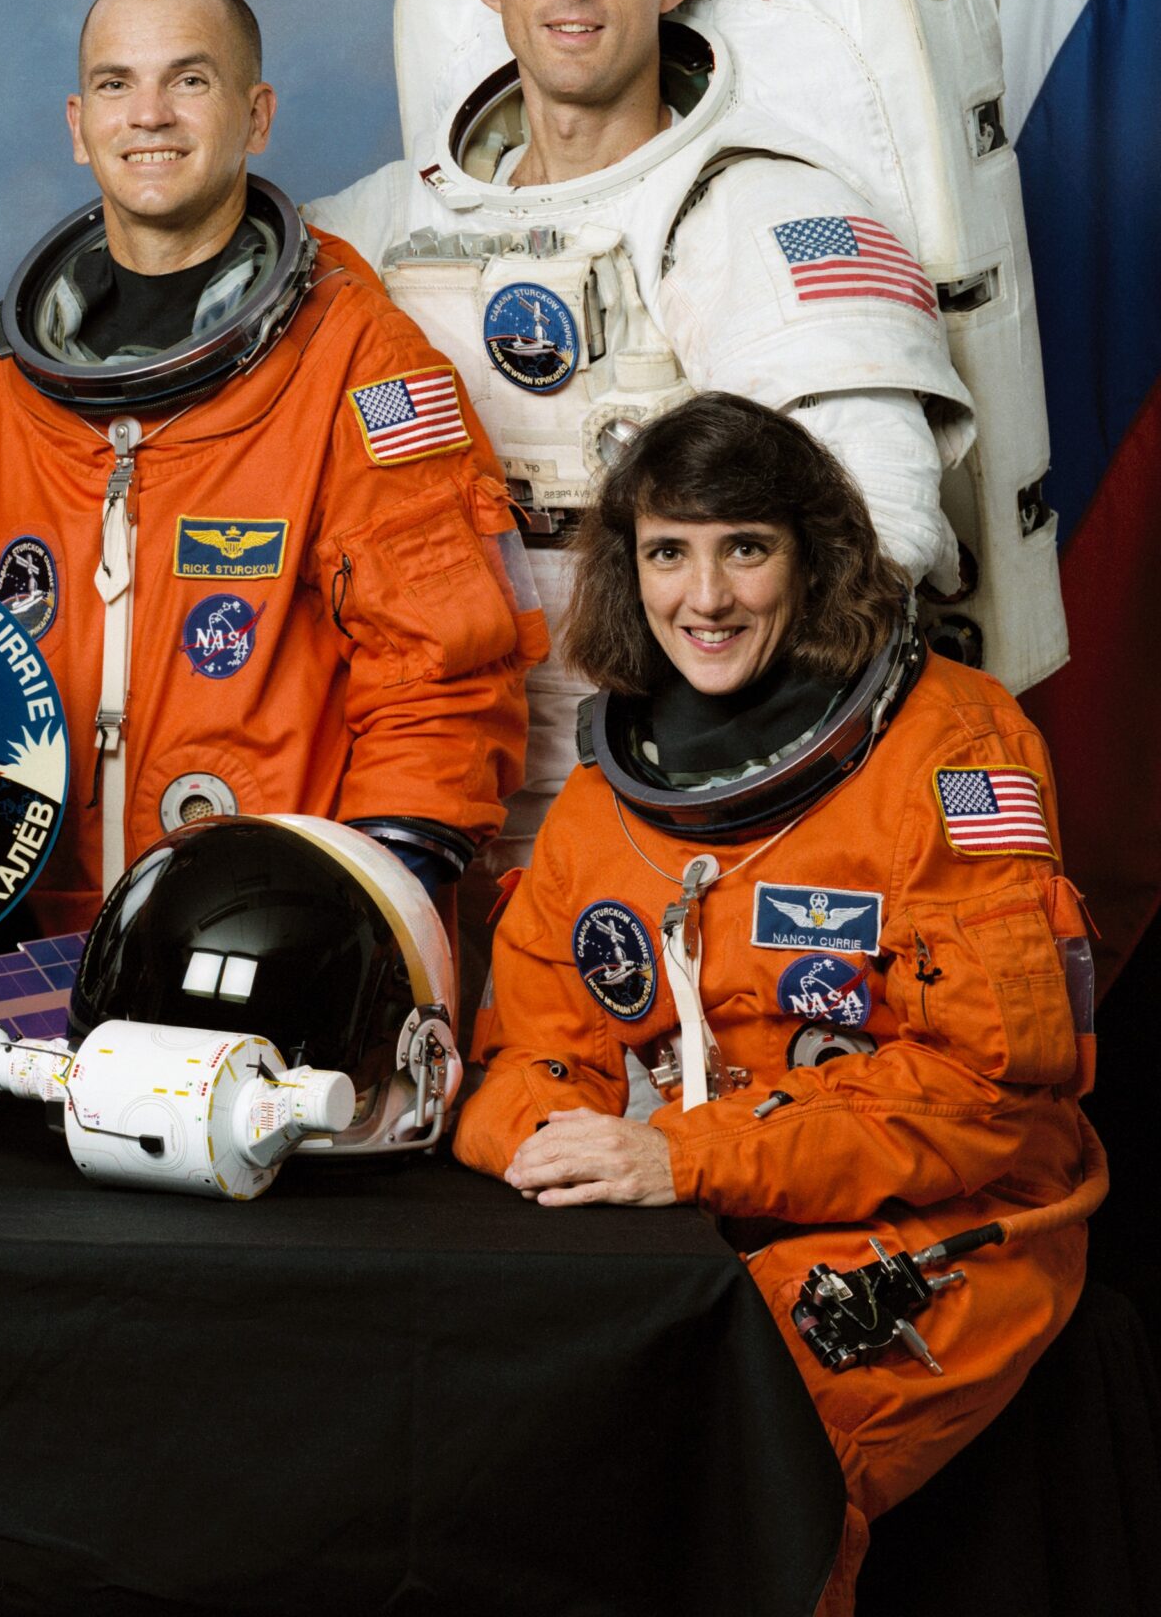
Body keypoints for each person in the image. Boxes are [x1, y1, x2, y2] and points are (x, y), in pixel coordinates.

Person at [455, 393, 1102, 1617]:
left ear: (813, 557)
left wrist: (685, 1155)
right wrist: (547, 1137)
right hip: (713, 1207)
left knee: (736, 1452)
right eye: (667, 552)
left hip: (957, 1219)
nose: (704, 596)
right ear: (627, 570)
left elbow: (992, 1098)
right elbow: (531, 1052)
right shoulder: (607, 803)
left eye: (743, 546)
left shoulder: (955, 754)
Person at [309, 0, 975, 868]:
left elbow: (876, 536)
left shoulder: (761, 214)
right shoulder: (388, 224)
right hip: (427, 791)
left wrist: (712, 776)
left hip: (679, 800)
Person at [0, 0, 540, 936]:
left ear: (255, 114)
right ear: (76, 124)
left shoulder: (361, 359)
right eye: (115, 84)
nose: (148, 115)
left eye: (189, 81)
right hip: (33, 933)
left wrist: (357, 914)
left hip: (261, 925)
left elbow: (443, 675)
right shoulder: (7, 376)